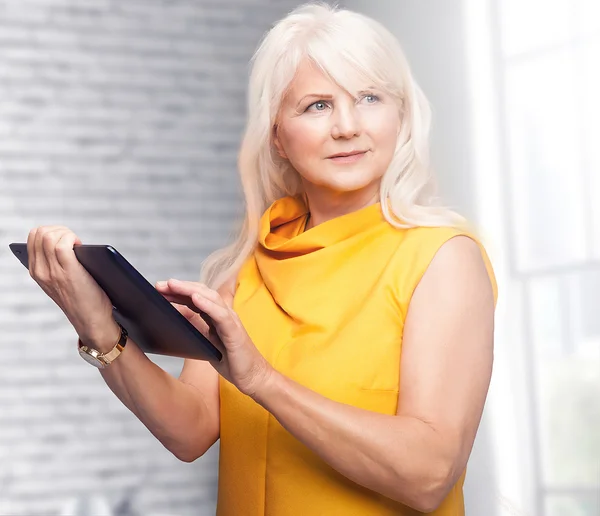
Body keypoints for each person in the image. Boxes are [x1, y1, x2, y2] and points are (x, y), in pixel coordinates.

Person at [26, 3, 497, 515]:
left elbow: (428, 475)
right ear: (276, 134)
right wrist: (99, 329)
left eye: (369, 98)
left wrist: (261, 380)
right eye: (317, 105)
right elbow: (190, 431)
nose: (347, 125)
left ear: (401, 115)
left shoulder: (441, 257)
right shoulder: (247, 266)